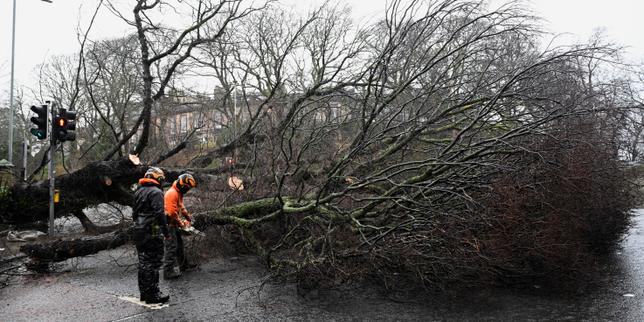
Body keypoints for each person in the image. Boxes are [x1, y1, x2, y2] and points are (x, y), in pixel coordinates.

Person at [132, 167, 170, 304]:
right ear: (158, 178)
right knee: (153, 262)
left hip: (138, 229)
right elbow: (159, 214)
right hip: (151, 231)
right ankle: (153, 294)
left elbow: (134, 213)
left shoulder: (138, 191)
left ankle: (144, 293)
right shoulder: (156, 192)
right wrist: (166, 232)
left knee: (143, 262)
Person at [163, 173, 197, 279]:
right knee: (171, 246)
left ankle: (184, 265)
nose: (187, 190)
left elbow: (181, 207)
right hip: (168, 223)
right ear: (183, 186)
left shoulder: (178, 193)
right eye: (187, 188)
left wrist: (188, 218)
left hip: (173, 223)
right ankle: (168, 271)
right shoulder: (172, 193)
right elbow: (172, 212)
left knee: (179, 245)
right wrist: (181, 223)